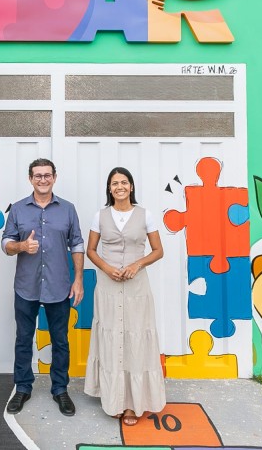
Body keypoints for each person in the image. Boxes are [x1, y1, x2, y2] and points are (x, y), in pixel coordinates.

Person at [2, 158, 84, 417]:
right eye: (37, 175)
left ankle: (60, 389)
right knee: (24, 339)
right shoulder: (17, 209)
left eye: (47, 175)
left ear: (54, 178)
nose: (43, 179)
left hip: (59, 286)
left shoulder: (68, 209)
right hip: (26, 286)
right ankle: (22, 388)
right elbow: (6, 244)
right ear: (30, 179)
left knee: (60, 340)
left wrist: (78, 279)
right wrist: (22, 246)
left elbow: (77, 244)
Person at [84, 166, 166, 426]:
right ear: (109, 189)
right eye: (114, 183)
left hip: (136, 287)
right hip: (107, 287)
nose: (119, 187)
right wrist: (107, 268)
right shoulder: (100, 216)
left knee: (135, 338)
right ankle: (113, 399)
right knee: (111, 337)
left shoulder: (145, 215)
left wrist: (137, 265)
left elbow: (158, 250)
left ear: (131, 186)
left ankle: (132, 404)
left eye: (124, 182)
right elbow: (91, 250)